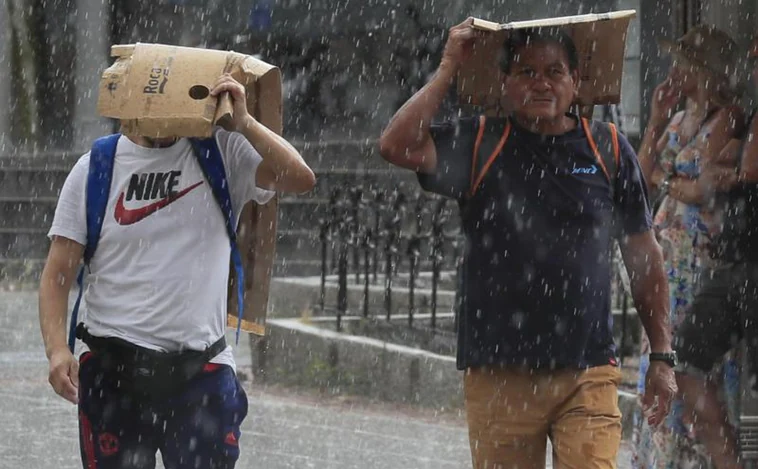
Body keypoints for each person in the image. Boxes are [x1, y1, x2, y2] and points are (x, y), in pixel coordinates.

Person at [379, 17, 677, 469]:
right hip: (500, 373)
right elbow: (396, 145)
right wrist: (447, 69)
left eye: (555, 72)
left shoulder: (608, 149)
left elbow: (644, 255)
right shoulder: (479, 141)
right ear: (504, 83)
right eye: (526, 72)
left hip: (588, 370)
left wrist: (662, 355)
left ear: (576, 82)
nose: (541, 84)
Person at [38, 73, 315, 469]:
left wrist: (245, 124)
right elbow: (57, 273)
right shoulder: (95, 168)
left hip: (201, 371)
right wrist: (56, 350)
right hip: (113, 370)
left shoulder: (222, 153)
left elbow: (301, 179)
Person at [632, 25, 744, 469]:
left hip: (696, 253)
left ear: (703, 70)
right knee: (659, 352)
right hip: (665, 253)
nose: (676, 70)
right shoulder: (679, 118)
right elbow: (642, 176)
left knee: (686, 359)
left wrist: (666, 180)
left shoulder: (729, 117)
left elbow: (703, 191)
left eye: (684, 62)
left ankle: (690, 456)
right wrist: (658, 119)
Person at [671, 35, 758, 469]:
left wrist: (733, 165)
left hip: (731, 259)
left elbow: (712, 181)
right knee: (684, 359)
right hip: (733, 260)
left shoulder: (734, 116)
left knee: (695, 362)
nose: (755, 55)